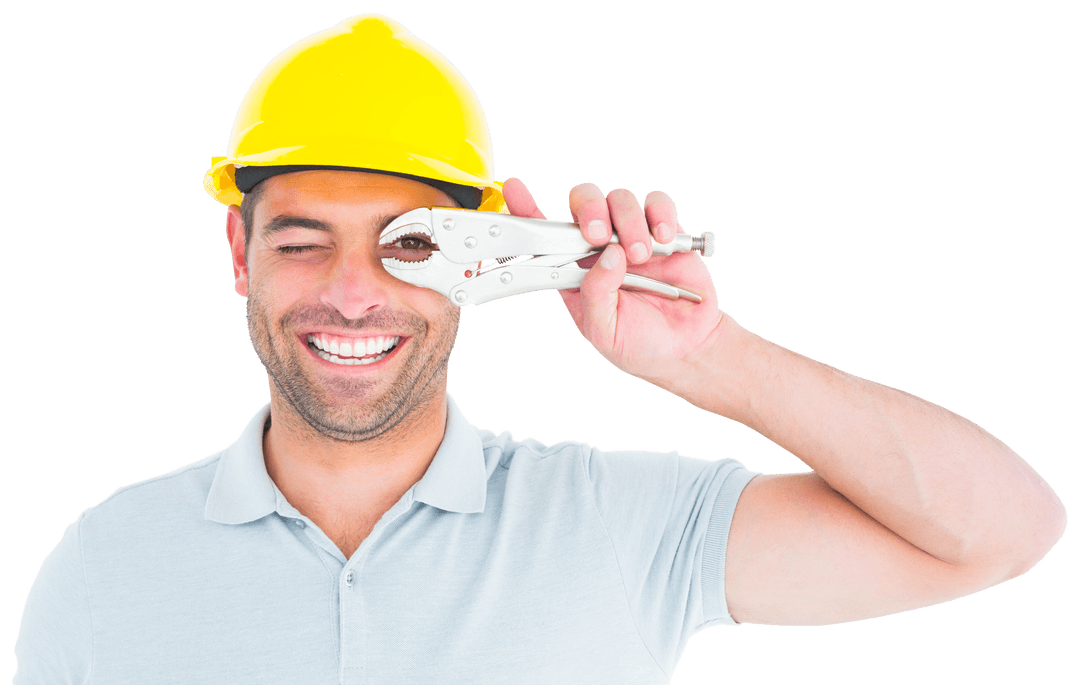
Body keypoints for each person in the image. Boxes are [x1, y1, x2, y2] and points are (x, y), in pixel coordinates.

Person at [12, 13, 1066, 684]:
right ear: (241, 252)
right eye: (302, 242)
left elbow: (1006, 531)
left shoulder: (617, 524)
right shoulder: (103, 567)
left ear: (481, 261)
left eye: (406, 245)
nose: (351, 292)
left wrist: (707, 357)